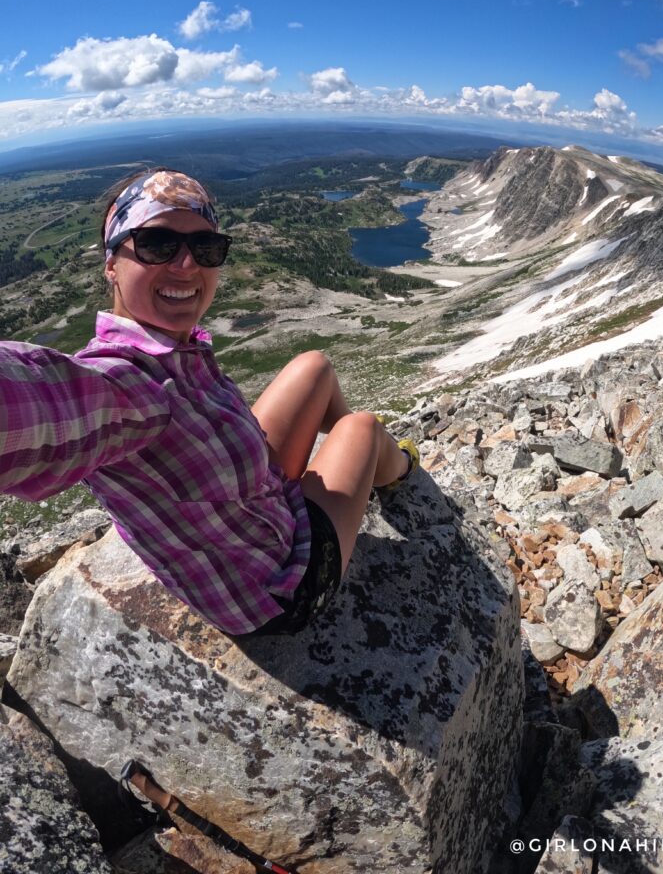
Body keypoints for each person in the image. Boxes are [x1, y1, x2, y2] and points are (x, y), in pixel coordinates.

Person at [0, 168, 419, 637]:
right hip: (277, 587)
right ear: (112, 263)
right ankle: (399, 468)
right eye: (157, 244)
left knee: (313, 366)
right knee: (360, 427)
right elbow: (32, 402)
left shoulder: (175, 352)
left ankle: (362, 472)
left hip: (264, 501)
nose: (186, 265)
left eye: (206, 248)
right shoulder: (122, 385)